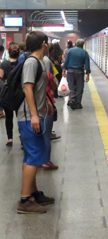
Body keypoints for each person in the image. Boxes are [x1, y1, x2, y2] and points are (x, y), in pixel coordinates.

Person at [17, 31, 54, 214]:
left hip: (33, 113)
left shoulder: (37, 62)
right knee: (33, 157)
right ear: (44, 44)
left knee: (31, 157)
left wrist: (46, 102)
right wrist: (33, 115)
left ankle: (33, 193)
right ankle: (24, 201)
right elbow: (28, 88)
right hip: (28, 117)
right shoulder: (32, 62)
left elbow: (37, 89)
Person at [0, 43, 20, 146]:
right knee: (20, 115)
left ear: (8, 52)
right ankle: (21, 134)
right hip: (18, 93)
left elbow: (0, 78)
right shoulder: (21, 64)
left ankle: (10, 138)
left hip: (7, 93)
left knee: (8, 117)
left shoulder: (3, 64)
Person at [63, 39, 91, 109]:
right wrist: (88, 75)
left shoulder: (70, 51)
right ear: (83, 45)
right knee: (79, 88)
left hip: (70, 71)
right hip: (80, 72)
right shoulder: (85, 52)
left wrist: (63, 70)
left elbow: (66, 62)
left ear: (76, 44)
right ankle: (78, 103)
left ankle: (72, 100)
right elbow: (87, 65)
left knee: (71, 87)